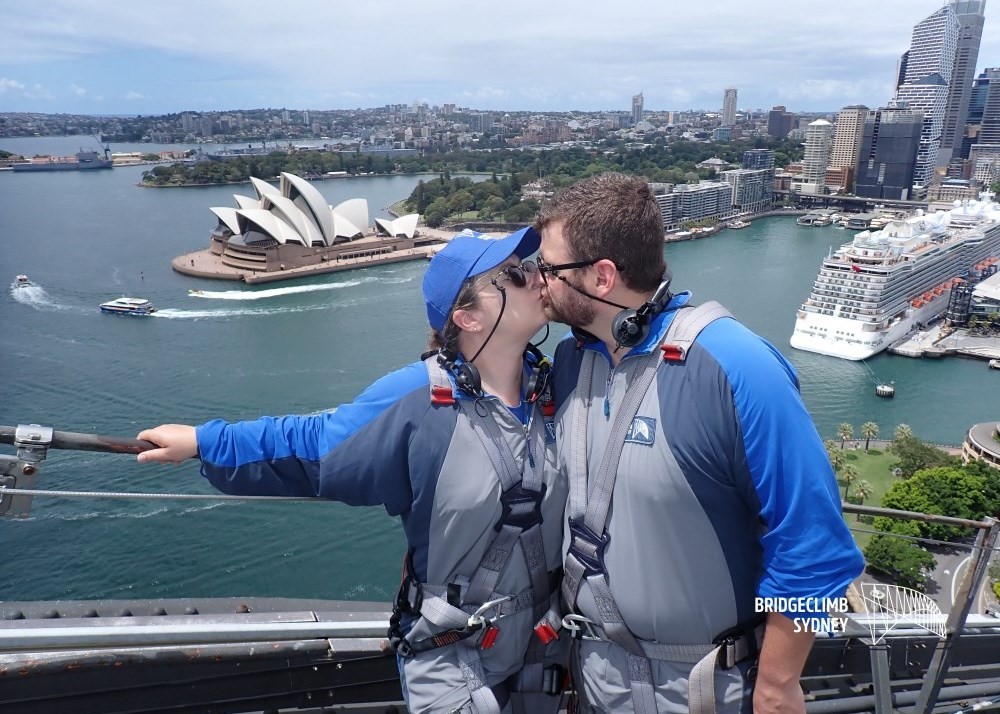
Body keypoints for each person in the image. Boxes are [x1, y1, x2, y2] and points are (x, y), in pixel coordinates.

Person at [136, 228, 568, 714]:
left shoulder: (560, 385)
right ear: (467, 318)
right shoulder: (419, 401)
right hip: (454, 657)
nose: (535, 275)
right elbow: (314, 444)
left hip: (542, 651)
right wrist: (204, 442)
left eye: (529, 265)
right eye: (513, 273)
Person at [533, 173, 864, 714]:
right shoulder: (574, 360)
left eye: (550, 268)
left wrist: (778, 687)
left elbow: (814, 545)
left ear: (602, 277)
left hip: (706, 691)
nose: (539, 280)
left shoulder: (738, 367)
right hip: (595, 680)